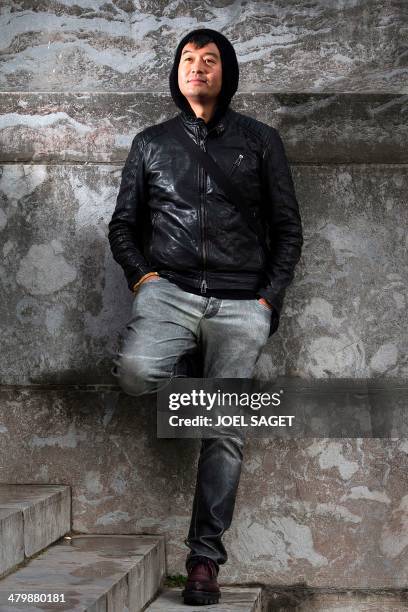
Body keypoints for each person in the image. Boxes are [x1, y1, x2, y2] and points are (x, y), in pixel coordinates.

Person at [108, 28, 303, 606]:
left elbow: (288, 229)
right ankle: (194, 369)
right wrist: (145, 280)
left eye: (210, 60)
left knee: (226, 431)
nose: (198, 68)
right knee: (136, 374)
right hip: (169, 292)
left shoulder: (261, 141)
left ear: (226, 71)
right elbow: (123, 225)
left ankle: (203, 561)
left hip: (243, 300)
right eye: (189, 59)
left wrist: (267, 301)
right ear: (176, 72)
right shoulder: (151, 143)